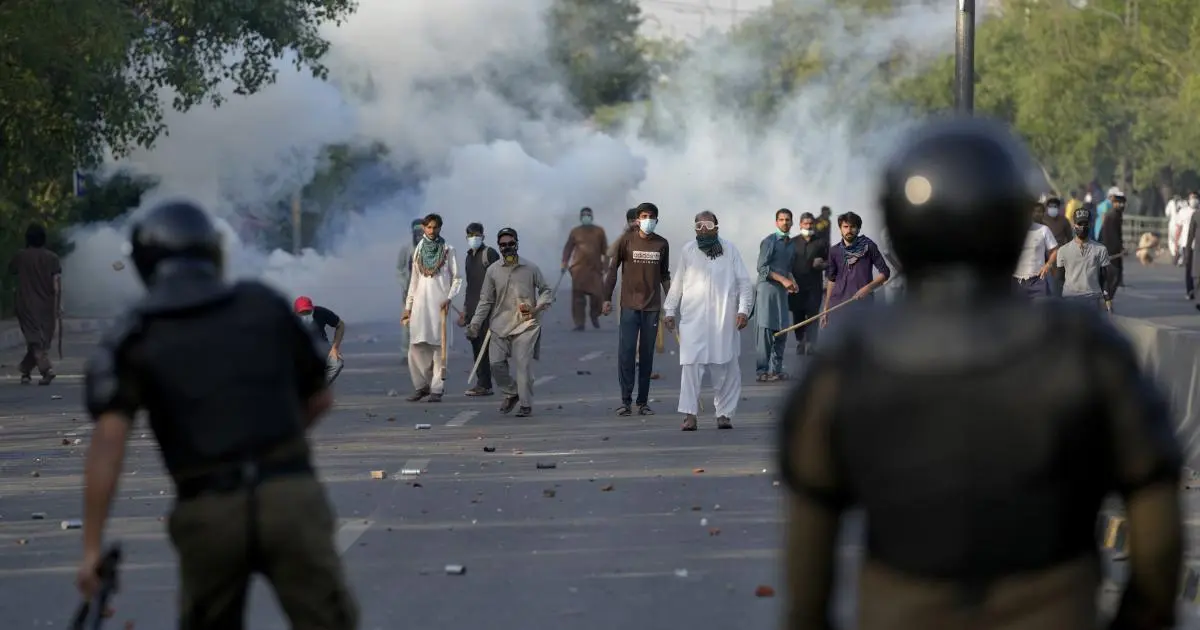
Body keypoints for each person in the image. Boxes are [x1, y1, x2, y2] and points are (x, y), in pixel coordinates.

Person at [779, 117, 1183, 630]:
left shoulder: (854, 357)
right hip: (1053, 606)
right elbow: (1153, 494)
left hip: (903, 607)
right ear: (1012, 220)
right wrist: (1144, 615)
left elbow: (811, 528)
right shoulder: (1086, 349)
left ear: (899, 222)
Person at [77, 200, 358, 629]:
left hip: (208, 510)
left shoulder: (134, 333)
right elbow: (320, 398)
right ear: (215, 252)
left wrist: (92, 549)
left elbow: (109, 440)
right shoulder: (263, 305)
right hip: (289, 497)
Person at [662, 211, 753, 431]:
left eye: (708, 224)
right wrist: (670, 310)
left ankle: (724, 414)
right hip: (693, 320)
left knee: (725, 367)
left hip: (724, 319)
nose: (703, 229)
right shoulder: (688, 250)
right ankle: (689, 415)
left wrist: (743, 310)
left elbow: (744, 283)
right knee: (690, 367)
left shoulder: (730, 250)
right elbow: (678, 283)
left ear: (716, 227)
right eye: (699, 225)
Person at [467, 227, 553, 417]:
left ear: (517, 244)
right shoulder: (492, 271)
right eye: (503, 245)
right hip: (499, 325)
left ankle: (525, 404)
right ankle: (511, 392)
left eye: (511, 244)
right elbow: (486, 300)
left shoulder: (531, 268)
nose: (507, 248)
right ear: (499, 247)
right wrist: (474, 324)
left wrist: (537, 307)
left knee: (523, 365)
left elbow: (546, 290)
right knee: (496, 364)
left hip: (526, 325)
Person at [603, 202, 671, 417]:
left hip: (652, 307)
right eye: (644, 216)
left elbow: (664, 275)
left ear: (656, 220)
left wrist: (672, 305)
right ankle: (625, 401)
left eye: (651, 216)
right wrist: (606, 298)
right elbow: (612, 270)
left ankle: (643, 402)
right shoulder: (626, 241)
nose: (647, 219)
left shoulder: (662, 244)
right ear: (638, 219)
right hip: (630, 306)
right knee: (626, 353)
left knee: (647, 356)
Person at [402, 213, 462, 402]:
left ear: (440, 228)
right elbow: (414, 280)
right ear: (424, 228)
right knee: (415, 347)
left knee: (439, 348)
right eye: (428, 227)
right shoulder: (419, 249)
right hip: (420, 304)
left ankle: (437, 389)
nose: (431, 231)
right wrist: (408, 306)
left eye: (435, 227)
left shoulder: (448, 249)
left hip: (439, 304)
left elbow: (457, 277)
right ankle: (421, 386)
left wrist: (450, 297)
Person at [7, 223, 61, 385]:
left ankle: (25, 369)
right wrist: (59, 305)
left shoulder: (21, 256)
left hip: (26, 304)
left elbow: (12, 270)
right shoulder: (53, 258)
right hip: (47, 305)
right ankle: (46, 370)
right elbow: (57, 284)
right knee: (39, 341)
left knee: (35, 340)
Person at [820, 211, 890, 333]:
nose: (849, 230)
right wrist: (826, 309)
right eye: (845, 227)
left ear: (858, 229)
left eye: (852, 227)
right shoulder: (834, 251)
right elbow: (831, 280)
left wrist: (867, 288)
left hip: (861, 305)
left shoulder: (868, 246)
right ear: (840, 229)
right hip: (838, 305)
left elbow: (885, 272)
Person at [754, 209, 797, 381]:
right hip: (767, 291)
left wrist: (792, 281)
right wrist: (783, 280)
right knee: (766, 329)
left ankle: (776, 370)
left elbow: (789, 269)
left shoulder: (791, 244)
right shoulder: (769, 241)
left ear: (792, 222)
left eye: (787, 220)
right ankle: (762, 371)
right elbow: (762, 268)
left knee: (782, 329)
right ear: (776, 222)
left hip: (781, 293)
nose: (785, 222)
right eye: (781, 219)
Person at [460, 222, 500, 396]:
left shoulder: (489, 254)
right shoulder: (469, 257)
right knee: (477, 346)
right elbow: (469, 285)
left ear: (483, 236)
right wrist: (465, 311)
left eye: (476, 235)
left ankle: (488, 383)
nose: (473, 238)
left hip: (488, 308)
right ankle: (483, 384)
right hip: (473, 309)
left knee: (488, 347)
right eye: (470, 235)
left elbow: (501, 279)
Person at [1058, 208, 1115, 312]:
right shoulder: (1063, 251)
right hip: (1070, 298)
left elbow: (1104, 277)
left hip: (1092, 298)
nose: (1083, 227)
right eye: (1079, 224)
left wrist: (1107, 299)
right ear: (1074, 225)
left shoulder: (1100, 249)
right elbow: (1059, 279)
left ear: (1090, 224)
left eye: (1086, 223)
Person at [561, 206, 608, 331]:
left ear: (591, 217)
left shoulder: (599, 231)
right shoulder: (575, 232)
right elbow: (568, 248)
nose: (586, 217)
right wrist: (564, 262)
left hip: (595, 269)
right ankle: (579, 323)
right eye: (584, 215)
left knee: (598, 296)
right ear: (581, 217)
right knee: (578, 298)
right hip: (579, 270)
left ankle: (594, 315)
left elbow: (606, 250)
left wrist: (606, 265)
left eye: (588, 215)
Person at [789, 212, 828, 355]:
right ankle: (800, 340)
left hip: (814, 286)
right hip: (796, 287)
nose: (808, 226)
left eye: (810, 223)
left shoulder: (821, 242)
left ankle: (811, 343)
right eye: (805, 223)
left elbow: (830, 262)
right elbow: (786, 263)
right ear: (800, 225)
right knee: (798, 314)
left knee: (812, 314)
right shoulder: (792, 243)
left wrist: (822, 264)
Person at [293, 296, 346, 384]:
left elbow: (340, 325)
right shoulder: (288, 318)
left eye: (308, 311)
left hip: (320, 346)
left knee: (336, 363)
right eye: (302, 313)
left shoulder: (321, 312)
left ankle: (319, 388)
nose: (306, 314)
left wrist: (335, 348)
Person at [1013, 204, 1059, 300]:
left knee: (1042, 312)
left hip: (1037, 281)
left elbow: (1054, 250)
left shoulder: (1043, 230)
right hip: (1017, 283)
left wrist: (1048, 265)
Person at [397, 218, 423, 350]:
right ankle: (406, 351)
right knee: (408, 323)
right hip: (409, 292)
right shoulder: (406, 249)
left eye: (421, 232)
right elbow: (399, 269)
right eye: (416, 232)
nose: (419, 235)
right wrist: (404, 284)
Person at [1041, 196, 1072, 296]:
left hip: (1060, 256)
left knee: (1058, 282)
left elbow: (1070, 239)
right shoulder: (1042, 220)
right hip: (1043, 255)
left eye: (1055, 206)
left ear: (1058, 208)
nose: (1052, 208)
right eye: (1050, 206)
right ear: (1047, 208)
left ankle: (1057, 302)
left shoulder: (1064, 221)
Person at [1098, 190, 1126, 292]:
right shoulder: (1112, 215)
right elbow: (1110, 235)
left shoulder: (1117, 215)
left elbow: (1118, 234)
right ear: (1114, 203)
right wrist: (1117, 249)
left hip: (1114, 250)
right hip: (1110, 250)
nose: (1121, 205)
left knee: (1115, 276)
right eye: (1119, 203)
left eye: (1122, 203)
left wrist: (1121, 247)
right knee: (1112, 276)